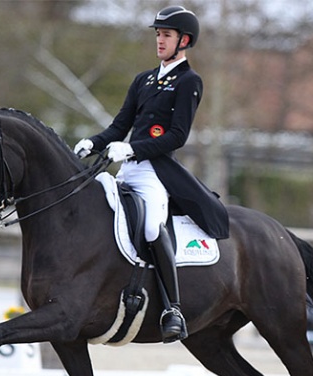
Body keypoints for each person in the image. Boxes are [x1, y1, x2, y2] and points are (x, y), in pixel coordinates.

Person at [74, 5, 229, 343]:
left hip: (155, 172)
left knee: (149, 226)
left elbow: (177, 136)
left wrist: (133, 149)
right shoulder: (143, 79)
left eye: (167, 35)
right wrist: (94, 142)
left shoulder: (189, 81)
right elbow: (120, 125)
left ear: (184, 41)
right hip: (127, 169)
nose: (160, 40)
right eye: (158, 34)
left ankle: (172, 308)